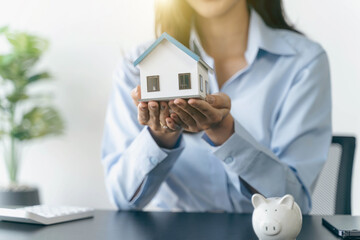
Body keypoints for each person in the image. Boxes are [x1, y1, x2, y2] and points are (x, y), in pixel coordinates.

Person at [101, 0, 332, 213]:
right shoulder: (139, 67)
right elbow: (122, 199)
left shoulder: (302, 63)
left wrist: (226, 134)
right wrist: (160, 137)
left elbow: (295, 204)